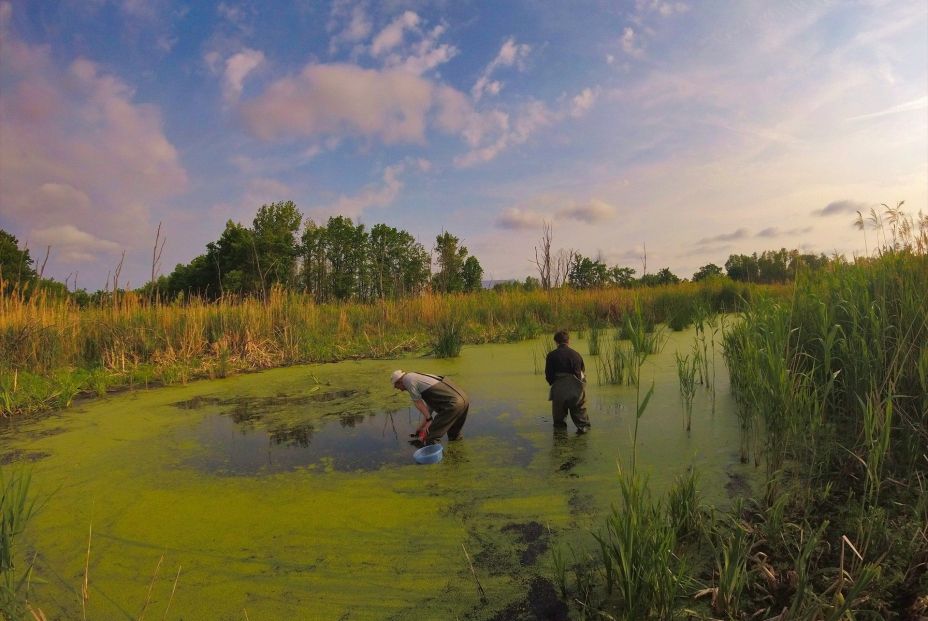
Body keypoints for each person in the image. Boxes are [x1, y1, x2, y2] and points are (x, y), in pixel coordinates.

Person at [391, 370, 469, 446]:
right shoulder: (419, 379)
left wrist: (429, 421)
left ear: (399, 381)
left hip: (453, 405)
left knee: (431, 437)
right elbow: (429, 408)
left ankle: (436, 459)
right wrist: (421, 427)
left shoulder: (407, 380)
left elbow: (418, 402)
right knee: (454, 436)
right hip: (463, 400)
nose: (400, 390)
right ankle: (458, 456)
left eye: (397, 387)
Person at [544, 330, 591, 433]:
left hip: (559, 391)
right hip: (576, 391)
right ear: (568, 341)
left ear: (556, 342)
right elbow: (581, 373)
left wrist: (556, 383)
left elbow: (549, 376)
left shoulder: (551, 356)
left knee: (559, 425)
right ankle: (582, 442)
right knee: (583, 425)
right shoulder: (576, 355)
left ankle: (561, 446)